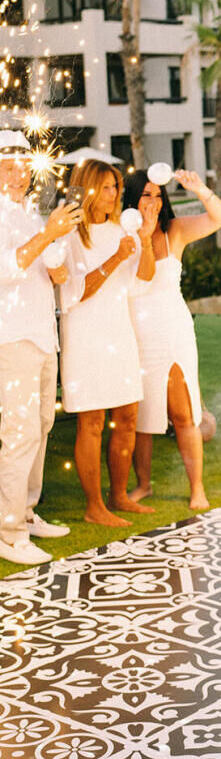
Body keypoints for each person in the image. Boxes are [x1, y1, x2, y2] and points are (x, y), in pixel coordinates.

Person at [121, 169, 221, 513]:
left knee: (184, 412)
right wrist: (143, 235)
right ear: (132, 199)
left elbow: (220, 217)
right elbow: (138, 277)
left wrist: (198, 188)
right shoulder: (122, 234)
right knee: (141, 416)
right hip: (136, 331)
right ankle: (143, 484)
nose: (153, 201)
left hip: (172, 329)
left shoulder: (175, 231)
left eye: (157, 195)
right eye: (145, 195)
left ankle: (197, 487)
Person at [59, 159, 158, 527]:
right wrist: (116, 257)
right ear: (86, 189)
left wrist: (144, 242)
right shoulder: (69, 234)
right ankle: (94, 506)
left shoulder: (122, 230)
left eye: (115, 187)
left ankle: (119, 495)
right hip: (86, 337)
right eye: (105, 187)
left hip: (120, 333)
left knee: (128, 417)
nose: (114, 194)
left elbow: (141, 282)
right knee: (93, 422)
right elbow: (75, 291)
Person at [0, 131, 82, 565]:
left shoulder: (29, 213)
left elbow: (50, 272)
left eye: (22, 167)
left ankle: (26, 512)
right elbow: (7, 269)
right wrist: (48, 235)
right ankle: (8, 531)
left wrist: (57, 252)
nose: (18, 175)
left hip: (42, 334)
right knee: (19, 433)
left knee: (43, 424)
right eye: (8, 166)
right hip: (11, 338)